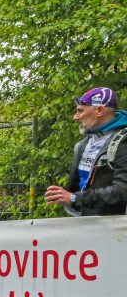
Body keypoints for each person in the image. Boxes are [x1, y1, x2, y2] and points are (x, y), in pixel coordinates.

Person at [45, 87, 127, 215]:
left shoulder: (123, 142)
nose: (75, 117)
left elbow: (122, 191)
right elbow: (79, 187)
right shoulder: (85, 143)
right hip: (84, 220)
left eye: (80, 111)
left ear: (99, 110)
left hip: (113, 228)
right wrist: (63, 195)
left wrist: (74, 198)